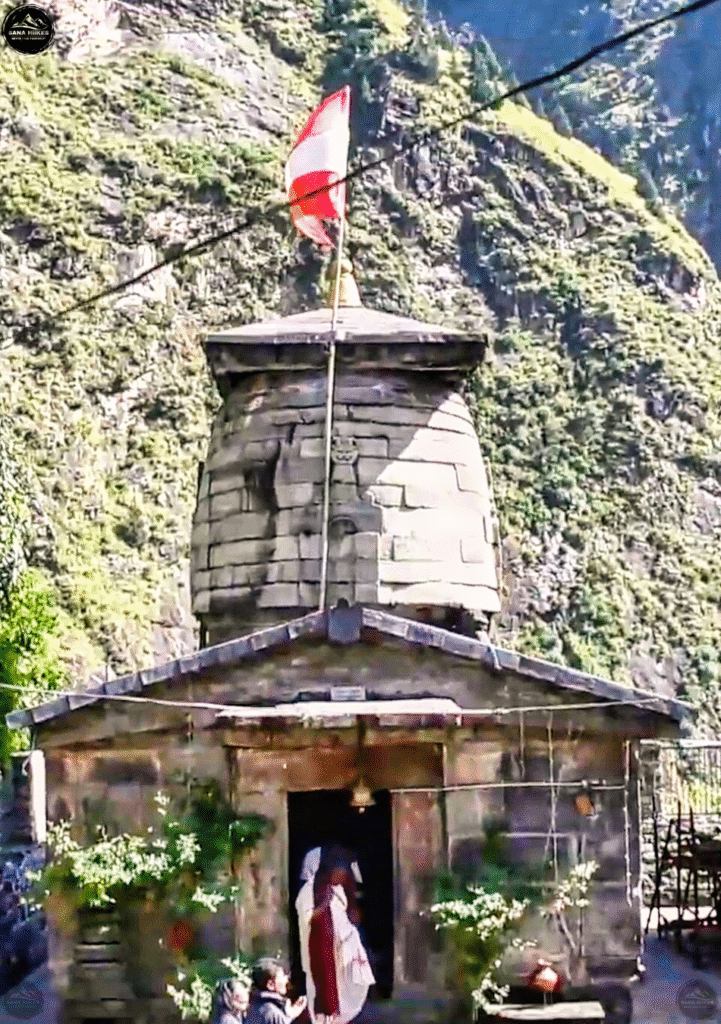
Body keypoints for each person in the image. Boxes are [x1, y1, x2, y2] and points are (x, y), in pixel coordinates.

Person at [308, 846, 374, 1024]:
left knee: (353, 979)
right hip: (327, 941)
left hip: (345, 939)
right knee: (331, 980)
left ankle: (347, 1011)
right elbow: (310, 916)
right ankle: (333, 1012)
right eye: (338, 873)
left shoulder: (345, 889)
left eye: (343, 874)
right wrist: (324, 903)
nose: (340, 876)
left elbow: (352, 914)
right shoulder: (321, 890)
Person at [246, 958, 307, 1024]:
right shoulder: (273, 1014)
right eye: (283, 976)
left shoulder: (253, 1008)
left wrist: (289, 1017)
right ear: (271, 985)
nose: (286, 980)